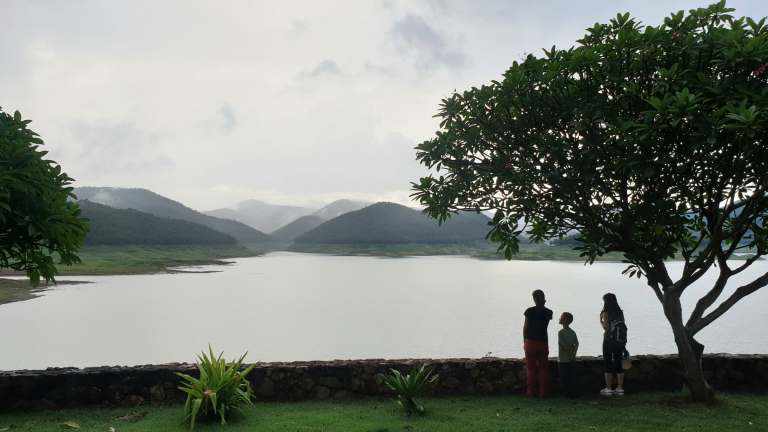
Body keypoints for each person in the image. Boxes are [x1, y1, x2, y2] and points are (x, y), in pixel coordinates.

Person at [523, 289, 553, 397]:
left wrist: (524, 341)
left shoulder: (529, 311)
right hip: (543, 342)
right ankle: (543, 392)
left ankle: (531, 391)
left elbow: (525, 328)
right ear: (543, 297)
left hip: (530, 342)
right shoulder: (549, 312)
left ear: (534, 299)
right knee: (543, 369)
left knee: (531, 369)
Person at [600, 293, 628, 396]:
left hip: (608, 340)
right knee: (618, 362)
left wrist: (601, 321)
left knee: (608, 362)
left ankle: (608, 389)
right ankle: (620, 389)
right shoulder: (620, 312)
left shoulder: (606, 312)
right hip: (620, 341)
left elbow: (606, 328)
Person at [558, 312, 579, 397]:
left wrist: (567, 349)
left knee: (564, 377)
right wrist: (573, 354)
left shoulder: (560, 332)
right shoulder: (573, 332)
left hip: (563, 359)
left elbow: (562, 345)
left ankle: (565, 394)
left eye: (561, 317)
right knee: (571, 377)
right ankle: (571, 393)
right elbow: (576, 344)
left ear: (565, 320)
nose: (559, 318)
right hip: (571, 358)